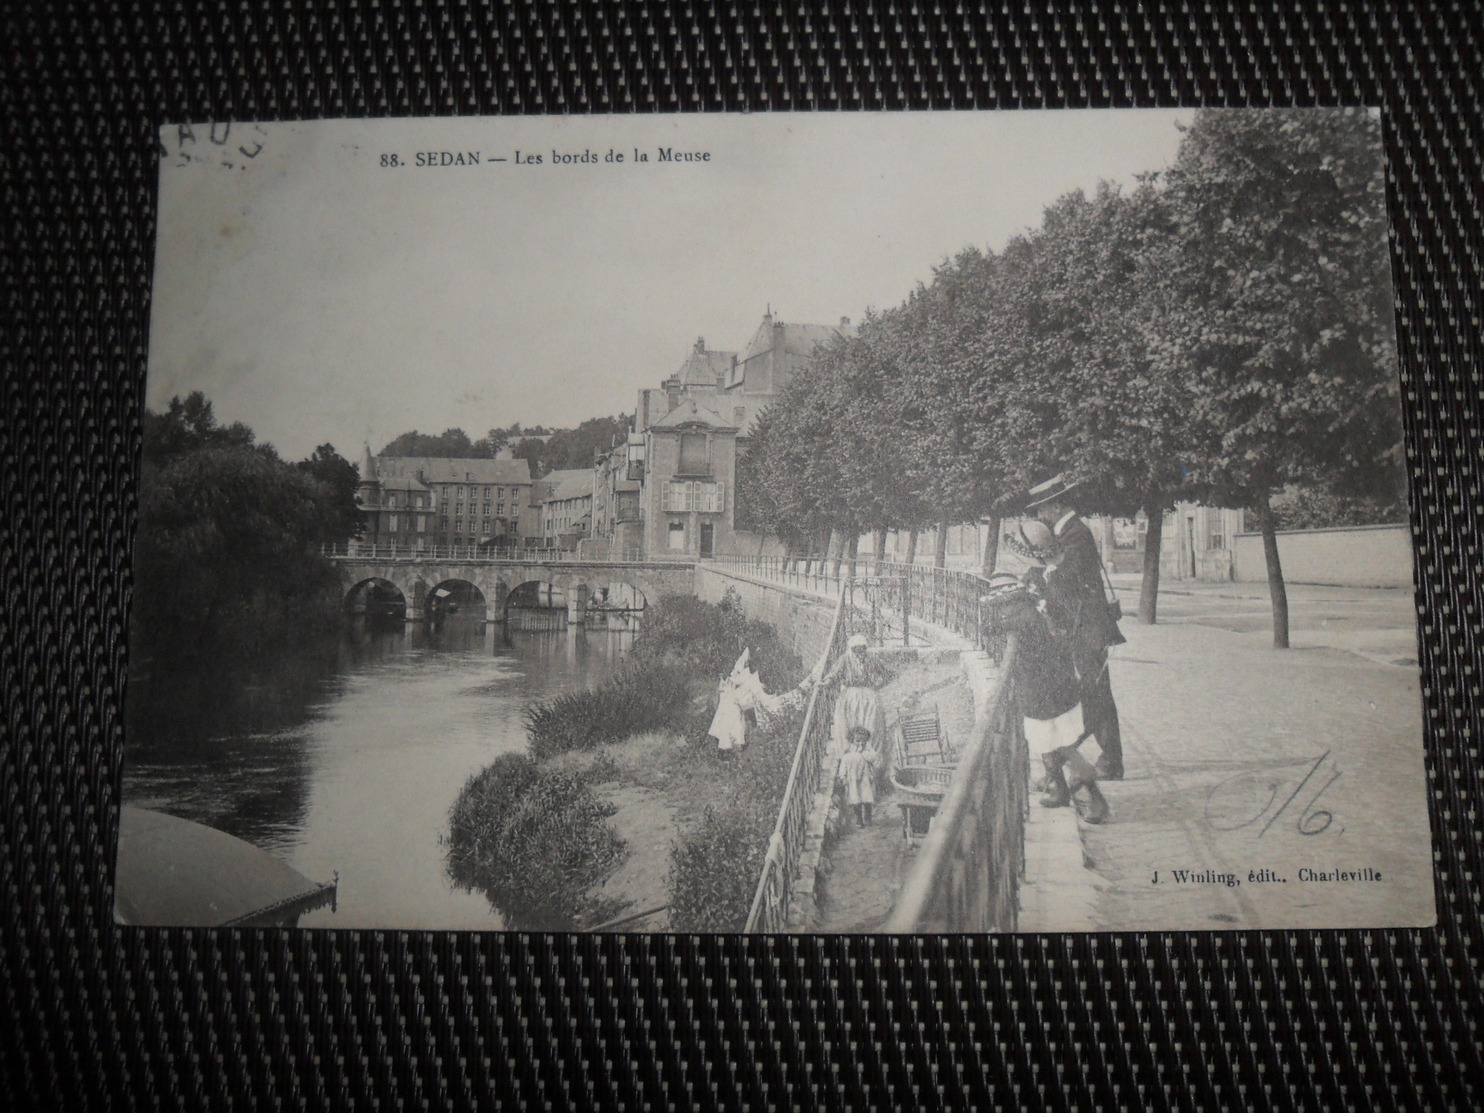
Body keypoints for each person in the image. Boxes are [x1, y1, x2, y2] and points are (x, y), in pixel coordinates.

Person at [979, 570, 1108, 823]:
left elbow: (988, 628)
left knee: (1062, 746)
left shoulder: (1024, 617)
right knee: (1045, 742)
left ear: (1012, 601)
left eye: (1002, 604)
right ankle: (1059, 789)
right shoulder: (1029, 610)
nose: (1001, 610)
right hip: (1043, 689)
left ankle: (1095, 797)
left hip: (1047, 692)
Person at [1025, 473, 1127, 780]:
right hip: (1084, 627)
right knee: (1096, 693)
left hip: (1089, 628)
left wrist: (1039, 577)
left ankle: (1081, 758)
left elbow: (1064, 576)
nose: (1040, 516)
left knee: (1094, 693)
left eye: (1042, 510)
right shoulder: (1068, 531)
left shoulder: (1075, 534)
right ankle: (1106, 760)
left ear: (1055, 506)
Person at [819, 633, 893, 756]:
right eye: (856, 649)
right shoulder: (844, 659)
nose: (860, 652)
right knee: (847, 724)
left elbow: (888, 674)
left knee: (872, 724)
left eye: (862, 648)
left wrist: (878, 686)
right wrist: (826, 683)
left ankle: (872, 755)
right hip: (850, 695)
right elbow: (834, 674)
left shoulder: (871, 658)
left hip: (869, 694)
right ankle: (848, 754)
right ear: (852, 649)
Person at [837, 726, 878, 827]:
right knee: (855, 799)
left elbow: (873, 758)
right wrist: (843, 777)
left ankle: (868, 818)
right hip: (853, 780)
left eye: (863, 741)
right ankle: (859, 820)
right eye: (857, 741)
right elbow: (843, 765)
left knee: (867, 798)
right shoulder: (848, 754)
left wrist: (864, 752)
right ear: (852, 741)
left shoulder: (867, 751)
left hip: (865, 779)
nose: (861, 743)